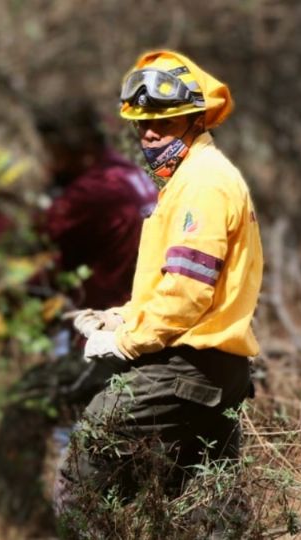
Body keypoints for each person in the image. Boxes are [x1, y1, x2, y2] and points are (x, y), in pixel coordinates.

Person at [54, 50, 264, 532]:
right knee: (205, 511)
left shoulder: (203, 184)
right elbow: (177, 286)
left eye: (163, 122)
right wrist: (123, 317)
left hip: (181, 366)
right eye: (141, 124)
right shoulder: (194, 179)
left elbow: (189, 294)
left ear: (194, 118)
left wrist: (125, 341)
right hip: (215, 369)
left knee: (82, 475)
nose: (149, 134)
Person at [0, 99, 157, 526]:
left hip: (113, 341)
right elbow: (75, 257)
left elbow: (25, 236)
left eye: (53, 152)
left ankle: (27, 526)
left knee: (27, 403)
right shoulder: (126, 175)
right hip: (140, 331)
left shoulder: (92, 192)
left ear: (75, 149)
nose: (48, 160)